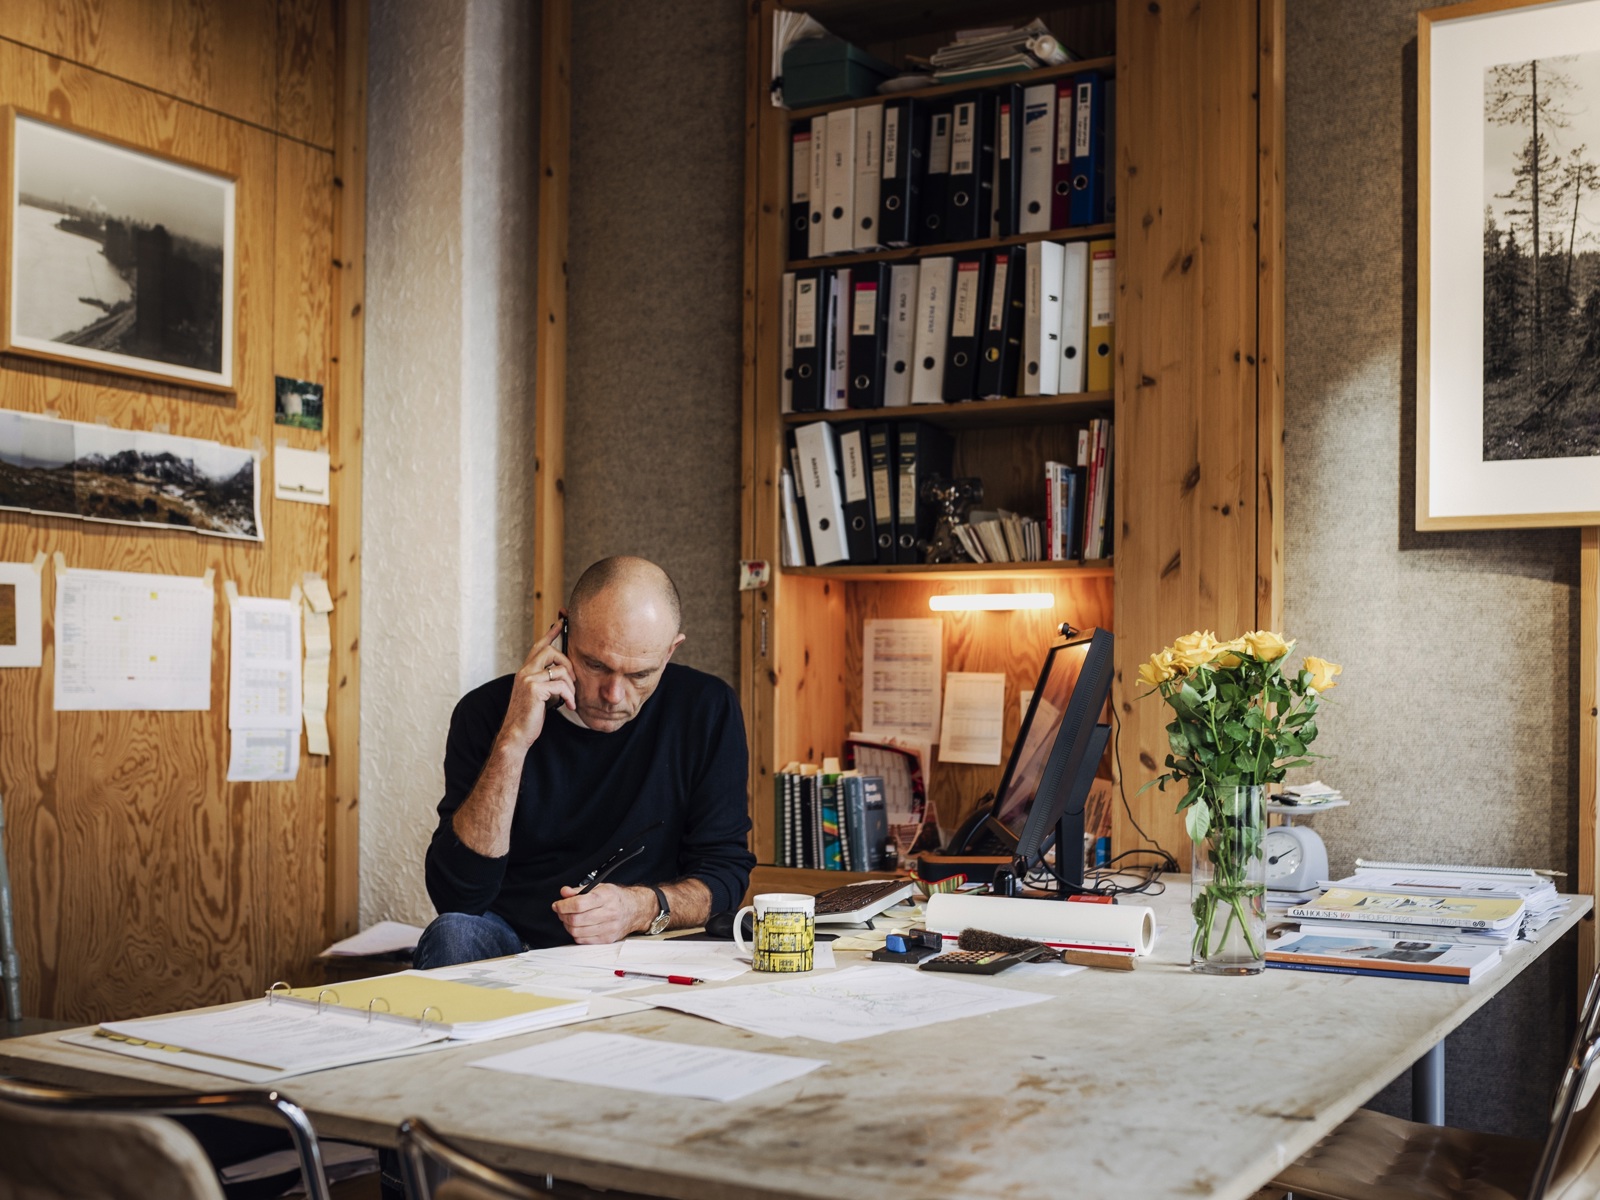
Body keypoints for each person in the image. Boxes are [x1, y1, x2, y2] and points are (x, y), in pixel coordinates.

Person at [415, 556, 755, 968]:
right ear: (563, 630)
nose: (613, 694)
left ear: (670, 651)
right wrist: (513, 744)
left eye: (640, 675)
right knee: (453, 935)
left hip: (640, 944)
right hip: (513, 941)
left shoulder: (705, 709)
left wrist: (641, 907)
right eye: (596, 665)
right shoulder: (486, 712)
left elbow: (724, 873)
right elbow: (459, 898)